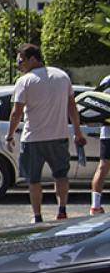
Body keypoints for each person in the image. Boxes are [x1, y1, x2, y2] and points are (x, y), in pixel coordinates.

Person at [5, 43, 86, 223]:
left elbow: (16, 112)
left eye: (20, 60)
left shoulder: (25, 81)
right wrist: (78, 133)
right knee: (61, 175)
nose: (18, 65)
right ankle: (62, 209)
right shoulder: (62, 76)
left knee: (34, 179)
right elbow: (72, 107)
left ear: (32, 59)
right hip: (59, 136)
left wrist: (10, 136)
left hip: (33, 138)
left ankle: (37, 216)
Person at [91, 75, 110, 215]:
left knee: (103, 167)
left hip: (107, 131)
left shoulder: (107, 80)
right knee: (103, 167)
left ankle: (95, 206)